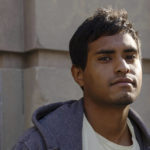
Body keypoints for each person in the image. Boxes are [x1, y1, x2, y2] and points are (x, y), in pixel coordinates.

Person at [13, 7, 150, 150]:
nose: (123, 67)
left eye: (130, 57)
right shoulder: (36, 145)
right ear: (79, 75)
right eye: (105, 58)